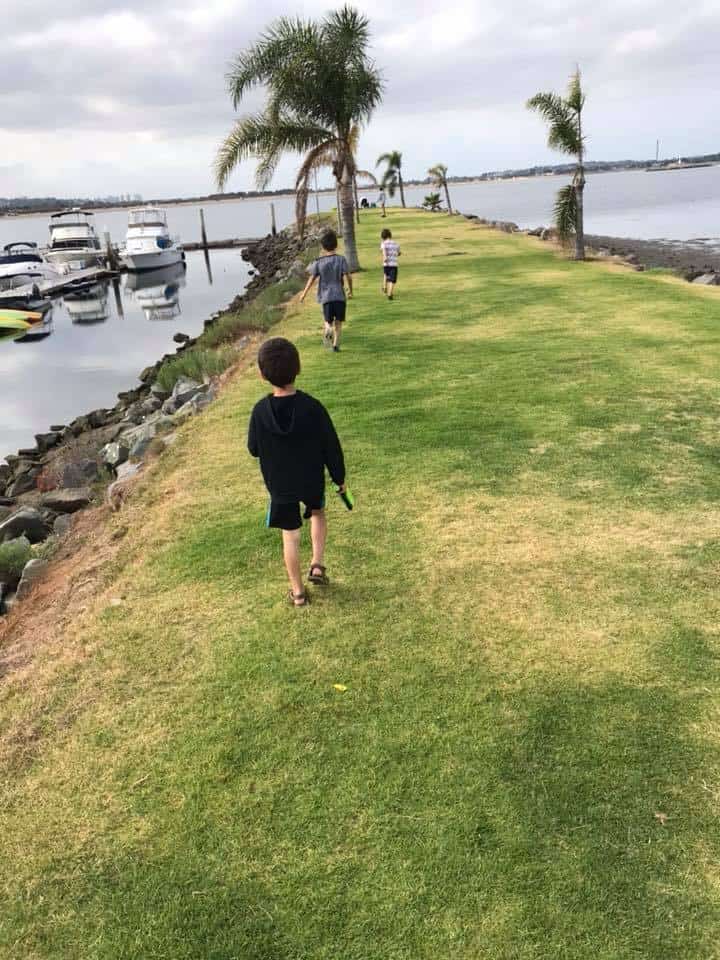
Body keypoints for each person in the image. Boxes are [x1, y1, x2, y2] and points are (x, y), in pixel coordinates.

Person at [248, 337, 347, 607]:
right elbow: (331, 446)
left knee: (289, 535)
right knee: (317, 513)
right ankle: (317, 564)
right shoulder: (313, 407)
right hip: (311, 478)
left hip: (280, 485)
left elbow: (253, 448)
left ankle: (298, 592)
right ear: (298, 368)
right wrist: (339, 478)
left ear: (262, 374)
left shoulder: (259, 412)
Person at [300, 229, 353, 353]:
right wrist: (350, 290)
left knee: (327, 321)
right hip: (339, 296)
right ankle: (335, 345)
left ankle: (328, 329)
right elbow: (348, 276)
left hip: (326, 297)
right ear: (336, 245)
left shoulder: (319, 262)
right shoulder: (341, 259)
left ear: (323, 247)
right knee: (339, 322)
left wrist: (304, 294)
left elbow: (312, 278)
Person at [380, 227, 401, 299]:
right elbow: (398, 253)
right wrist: (397, 253)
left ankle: (384, 286)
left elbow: (383, 251)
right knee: (392, 280)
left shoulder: (383, 243)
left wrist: (385, 257)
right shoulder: (396, 243)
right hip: (393, 264)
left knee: (386, 274)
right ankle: (390, 294)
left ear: (383, 237)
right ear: (390, 235)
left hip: (386, 263)